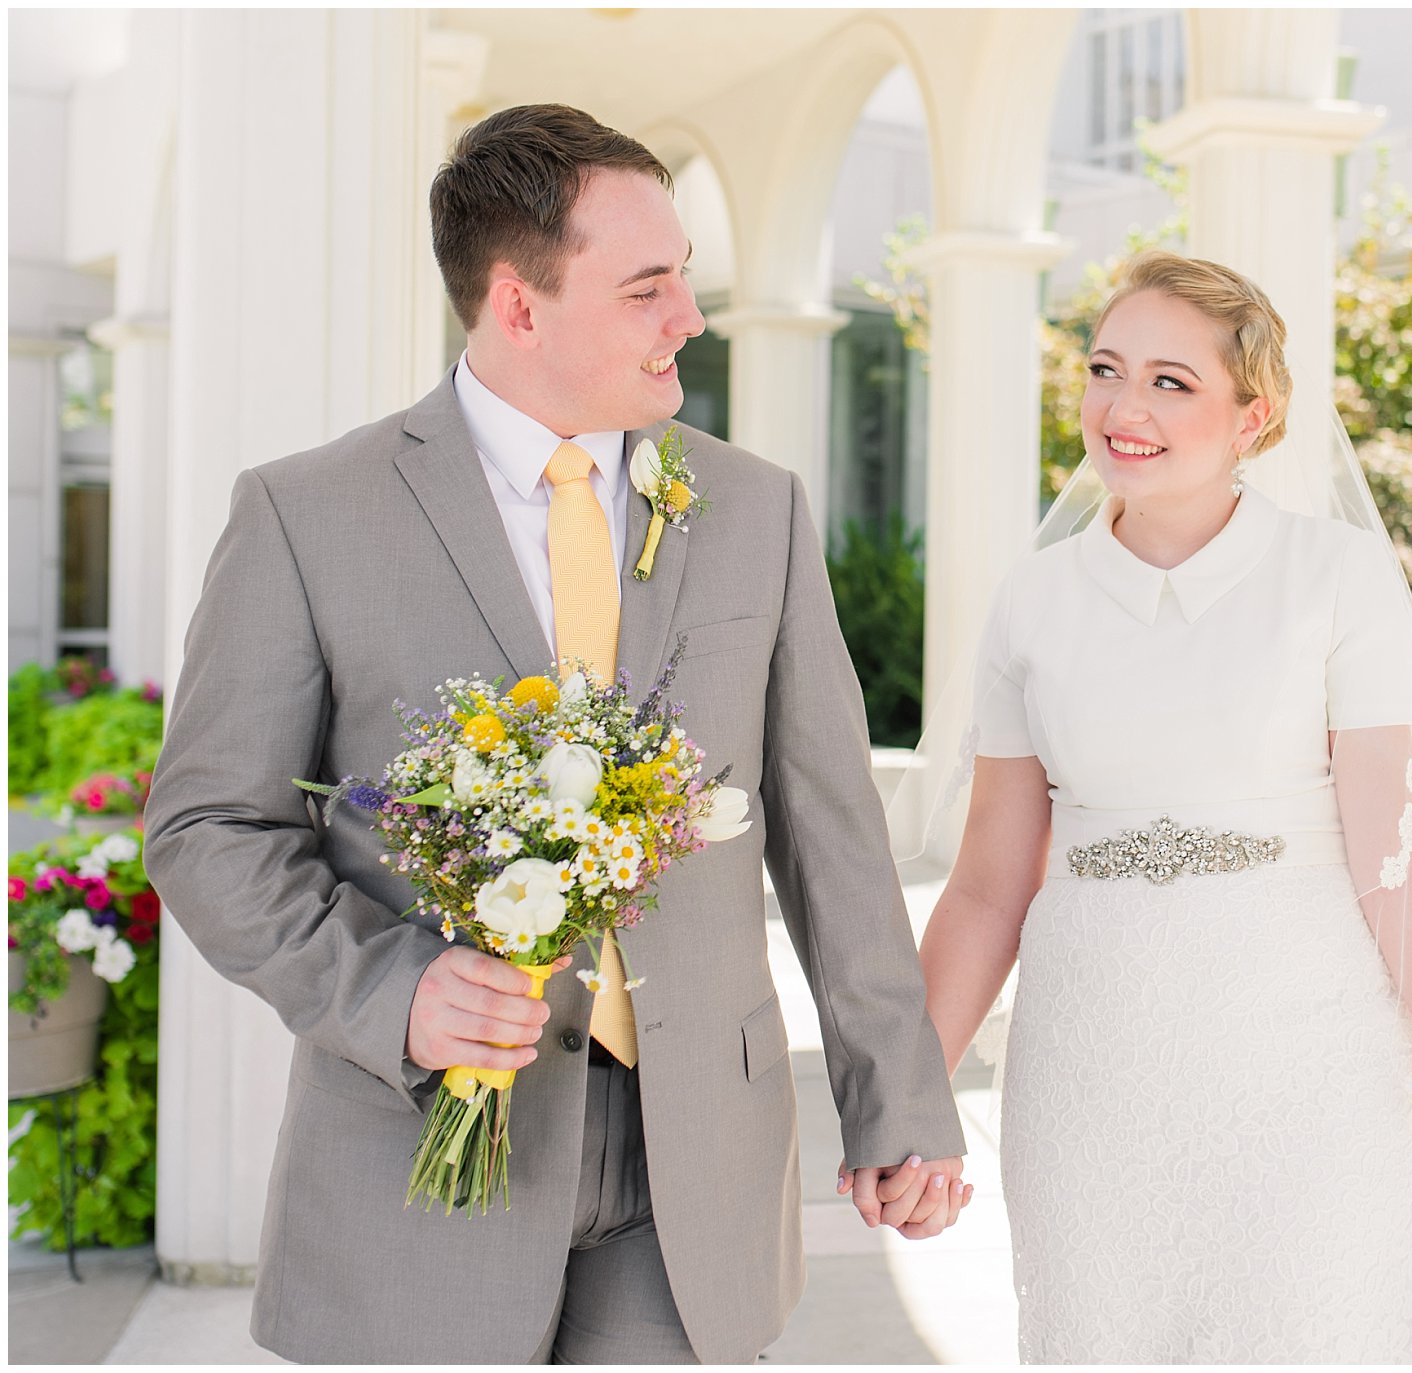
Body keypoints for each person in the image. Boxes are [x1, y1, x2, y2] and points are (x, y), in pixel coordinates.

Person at [144, 103, 969, 1364]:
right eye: (647, 287)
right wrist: (394, 990)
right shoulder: (307, 514)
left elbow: (829, 828)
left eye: (684, 277)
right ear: (518, 306)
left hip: (693, 1159)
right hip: (418, 1157)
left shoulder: (753, 508)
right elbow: (208, 828)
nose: (688, 315)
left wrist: (894, 1095)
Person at [905, 250, 1412, 1362]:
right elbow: (986, 887)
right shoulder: (1033, 600)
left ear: (1251, 416)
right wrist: (912, 1099)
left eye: (1171, 382)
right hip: (1089, 1075)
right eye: (1105, 368)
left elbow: (1403, 868)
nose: (1122, 407)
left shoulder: (1335, 577)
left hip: (1310, 1072)